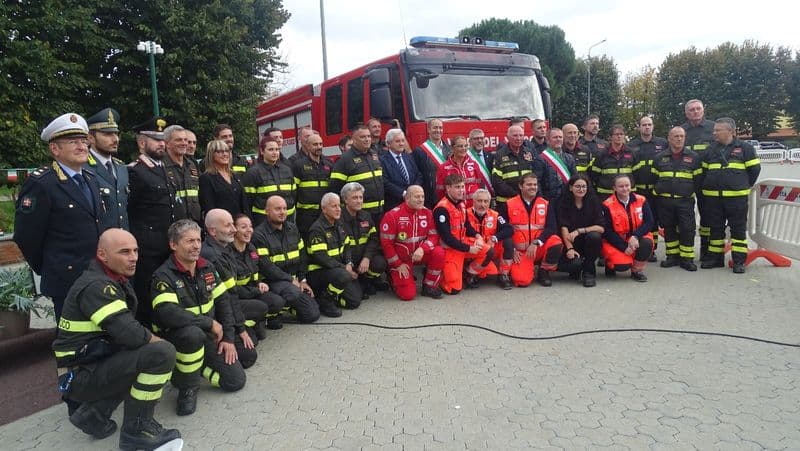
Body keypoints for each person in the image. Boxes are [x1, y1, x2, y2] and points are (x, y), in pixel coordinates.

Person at [53, 229, 181, 449]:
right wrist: (160, 343)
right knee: (161, 354)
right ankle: (136, 431)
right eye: (124, 252)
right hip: (80, 375)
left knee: (140, 357)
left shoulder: (112, 278)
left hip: (89, 366)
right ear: (103, 255)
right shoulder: (97, 286)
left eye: (135, 251)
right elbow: (131, 335)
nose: (133, 257)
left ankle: (93, 415)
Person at [151, 220, 245, 416]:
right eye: (189, 241)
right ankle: (188, 387)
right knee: (192, 334)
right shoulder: (163, 275)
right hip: (180, 338)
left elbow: (224, 303)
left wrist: (228, 338)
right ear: (173, 245)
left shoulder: (207, 268)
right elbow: (168, 313)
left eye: (198, 240)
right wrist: (209, 323)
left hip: (209, 336)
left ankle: (191, 369)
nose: (196, 246)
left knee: (236, 379)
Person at [15, 113, 103, 321]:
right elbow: (26, 236)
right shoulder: (42, 184)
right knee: (72, 338)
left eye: (84, 141)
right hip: (66, 278)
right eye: (73, 142)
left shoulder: (90, 179)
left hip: (96, 274)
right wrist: (50, 266)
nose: (82, 147)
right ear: (55, 149)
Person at [127, 117, 179, 327]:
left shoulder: (165, 169)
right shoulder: (134, 171)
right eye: (155, 139)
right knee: (148, 294)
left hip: (167, 244)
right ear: (141, 143)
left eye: (162, 139)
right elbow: (130, 210)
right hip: (148, 246)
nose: (161, 144)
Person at [699, 118, 760, 273]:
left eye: (718, 130)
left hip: (736, 198)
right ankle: (715, 259)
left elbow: (754, 171)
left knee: (738, 230)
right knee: (715, 229)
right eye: (714, 130)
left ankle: (739, 261)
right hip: (713, 198)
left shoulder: (745, 148)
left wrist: (742, 185)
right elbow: (704, 172)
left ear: (731, 131)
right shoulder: (711, 150)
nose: (714, 133)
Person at [200, 209, 260, 367]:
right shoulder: (213, 256)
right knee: (248, 357)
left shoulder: (224, 248)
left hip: (226, 311)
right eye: (228, 225)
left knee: (254, 338)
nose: (234, 229)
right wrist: (238, 330)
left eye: (233, 224)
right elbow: (228, 297)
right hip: (215, 318)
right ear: (213, 231)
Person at [251, 195, 320, 323]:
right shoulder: (259, 235)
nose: (282, 212)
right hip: (273, 281)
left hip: (293, 281)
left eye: (284, 208)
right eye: (278, 209)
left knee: (312, 314)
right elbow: (266, 266)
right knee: (293, 293)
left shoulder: (292, 228)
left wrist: (302, 279)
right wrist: (290, 279)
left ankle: (289, 306)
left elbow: (302, 256)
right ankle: (274, 311)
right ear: (267, 211)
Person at [379, 185, 445, 300]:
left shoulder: (428, 213)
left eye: (422, 196)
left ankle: (429, 286)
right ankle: (392, 274)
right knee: (408, 295)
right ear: (407, 198)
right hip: (401, 260)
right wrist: (397, 264)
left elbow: (434, 236)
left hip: (420, 254)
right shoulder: (392, 216)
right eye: (417, 197)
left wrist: (422, 249)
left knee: (438, 252)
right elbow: (386, 245)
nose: (421, 199)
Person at [652, 127, 701, 271]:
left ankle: (687, 258)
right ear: (669, 138)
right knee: (669, 228)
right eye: (676, 136)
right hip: (665, 201)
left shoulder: (693, 157)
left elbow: (698, 180)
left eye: (681, 136)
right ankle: (672, 256)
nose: (679, 139)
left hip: (684, 201)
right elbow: (654, 177)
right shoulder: (660, 157)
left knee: (687, 229)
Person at [228, 214, 287, 333]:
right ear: (234, 230)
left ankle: (258, 319)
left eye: (250, 226)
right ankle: (247, 322)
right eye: (244, 227)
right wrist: (255, 291)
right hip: (237, 296)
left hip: (252, 290)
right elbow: (232, 288)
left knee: (277, 301)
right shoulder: (228, 254)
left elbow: (255, 272)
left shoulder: (251, 248)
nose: (249, 230)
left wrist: (259, 283)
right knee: (258, 333)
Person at [306, 193, 362, 317]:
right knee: (344, 276)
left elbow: (347, 246)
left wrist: (348, 263)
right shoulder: (317, 229)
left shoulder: (338, 224)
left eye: (339, 206)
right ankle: (326, 299)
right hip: (319, 271)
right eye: (333, 206)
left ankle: (331, 296)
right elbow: (321, 258)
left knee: (355, 301)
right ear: (324, 209)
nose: (338, 209)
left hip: (336, 270)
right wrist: (344, 268)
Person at [504, 173, 563, 287]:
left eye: (535, 184)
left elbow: (551, 228)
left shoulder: (545, 204)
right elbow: (503, 229)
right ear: (521, 186)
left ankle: (544, 271)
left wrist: (537, 242)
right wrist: (513, 250)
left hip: (538, 247)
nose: (533, 187)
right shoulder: (509, 204)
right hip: (520, 252)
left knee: (556, 241)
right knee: (521, 281)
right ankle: (521, 269)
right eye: (529, 184)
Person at [433, 174, 486, 294]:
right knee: (454, 290)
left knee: (488, 251)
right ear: (448, 188)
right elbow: (446, 238)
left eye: (462, 187)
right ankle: (441, 274)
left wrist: (478, 236)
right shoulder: (442, 208)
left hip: (462, 244)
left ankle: (468, 274)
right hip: (450, 250)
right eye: (457, 187)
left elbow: (467, 226)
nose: (461, 190)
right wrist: (469, 249)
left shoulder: (461, 204)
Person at [601, 174, 655, 281]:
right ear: (614, 188)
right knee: (622, 266)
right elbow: (607, 232)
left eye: (627, 185)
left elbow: (649, 222)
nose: (625, 188)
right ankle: (609, 263)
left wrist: (636, 236)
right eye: (621, 186)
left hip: (636, 238)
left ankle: (636, 271)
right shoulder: (607, 205)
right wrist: (623, 247)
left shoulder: (641, 200)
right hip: (616, 241)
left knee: (647, 243)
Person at [629, 116, 668, 261]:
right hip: (638, 190)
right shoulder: (631, 145)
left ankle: (652, 249)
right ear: (639, 127)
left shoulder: (662, 143)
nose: (647, 127)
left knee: (655, 220)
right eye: (644, 125)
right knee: (639, 219)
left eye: (649, 124)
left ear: (653, 126)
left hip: (656, 190)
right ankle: (639, 247)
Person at [340, 182, 389, 297]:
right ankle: (357, 284)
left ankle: (366, 281)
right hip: (345, 263)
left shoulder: (366, 216)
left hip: (362, 259)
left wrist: (367, 258)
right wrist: (346, 265)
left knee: (380, 262)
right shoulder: (338, 218)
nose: (359, 201)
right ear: (345, 200)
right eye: (355, 198)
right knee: (356, 297)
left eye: (361, 197)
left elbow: (374, 239)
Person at [681, 99, 717, 258]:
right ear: (686, 113)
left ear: (703, 110)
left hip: (707, 179)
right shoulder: (681, 130)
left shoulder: (713, 128)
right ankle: (683, 251)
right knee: (684, 215)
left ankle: (706, 249)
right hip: (686, 180)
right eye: (691, 110)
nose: (695, 112)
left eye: (698, 109)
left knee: (708, 215)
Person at [84, 107, 129, 230]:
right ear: (90, 138)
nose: (115, 139)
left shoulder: (121, 168)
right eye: (107, 134)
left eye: (116, 133)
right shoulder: (82, 168)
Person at [330, 124, 385, 225]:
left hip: (380, 212)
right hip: (359, 214)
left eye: (368, 136)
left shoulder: (374, 155)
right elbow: (335, 188)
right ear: (354, 139)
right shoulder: (345, 159)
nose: (367, 139)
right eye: (362, 137)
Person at [558, 174, 604, 287]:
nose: (581, 189)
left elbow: (601, 227)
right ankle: (577, 268)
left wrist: (580, 231)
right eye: (577, 186)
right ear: (570, 187)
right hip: (570, 241)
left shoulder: (594, 201)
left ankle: (589, 272)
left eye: (584, 186)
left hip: (588, 241)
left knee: (595, 236)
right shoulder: (563, 202)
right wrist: (570, 248)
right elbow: (563, 226)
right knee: (574, 265)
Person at [492, 125, 546, 216]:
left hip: (528, 201)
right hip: (506, 202)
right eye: (515, 136)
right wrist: (517, 195)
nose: (519, 138)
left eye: (521, 135)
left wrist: (536, 195)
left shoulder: (529, 153)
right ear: (508, 137)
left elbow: (536, 177)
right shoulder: (499, 155)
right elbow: (497, 181)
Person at [465, 189, 514, 289]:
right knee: (489, 269)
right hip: (473, 250)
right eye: (479, 201)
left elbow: (509, 229)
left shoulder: (495, 215)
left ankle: (503, 275)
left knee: (508, 241)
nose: (482, 204)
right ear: (473, 201)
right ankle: (470, 274)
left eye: (486, 201)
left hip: (490, 250)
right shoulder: (465, 214)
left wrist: (494, 238)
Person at [243, 136, 296, 225]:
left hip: (287, 221)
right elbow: (248, 203)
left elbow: (293, 195)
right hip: (264, 222)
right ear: (262, 151)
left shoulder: (287, 170)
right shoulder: (253, 173)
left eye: (277, 149)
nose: (275, 152)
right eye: (271, 149)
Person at [291, 133, 334, 236]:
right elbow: (293, 191)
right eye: (315, 144)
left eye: (320, 144)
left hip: (324, 213)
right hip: (305, 215)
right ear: (308, 146)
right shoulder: (299, 165)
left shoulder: (329, 164)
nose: (319, 147)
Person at [199, 139, 248, 218]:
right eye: (219, 152)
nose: (225, 154)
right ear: (211, 154)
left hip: (240, 224)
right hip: (222, 224)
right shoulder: (206, 178)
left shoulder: (235, 175)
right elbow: (209, 208)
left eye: (226, 151)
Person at [163, 125, 202, 224]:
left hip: (194, 224)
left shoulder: (192, 165)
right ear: (167, 144)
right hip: (173, 225)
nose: (184, 143)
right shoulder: (160, 166)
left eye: (185, 140)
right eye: (179, 140)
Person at [380, 128, 423, 211]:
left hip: (412, 203)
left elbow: (418, 175)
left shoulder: (408, 157)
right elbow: (384, 182)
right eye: (398, 141)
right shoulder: (382, 160)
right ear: (388, 143)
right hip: (394, 204)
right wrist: (404, 193)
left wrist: (413, 190)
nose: (401, 144)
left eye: (403, 141)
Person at [412, 119, 451, 208]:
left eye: (440, 128)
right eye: (435, 128)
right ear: (428, 130)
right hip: (430, 198)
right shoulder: (420, 151)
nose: (438, 130)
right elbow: (417, 174)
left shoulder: (449, 149)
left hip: (448, 195)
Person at [591, 124, 637, 197]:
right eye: (616, 134)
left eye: (621, 134)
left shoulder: (631, 153)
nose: (619, 136)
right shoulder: (601, 154)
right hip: (606, 195)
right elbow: (594, 175)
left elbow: (636, 174)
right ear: (611, 137)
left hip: (627, 194)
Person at [435, 136, 482, 208]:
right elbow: (440, 193)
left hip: (473, 209)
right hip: (454, 210)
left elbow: (480, 186)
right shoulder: (443, 168)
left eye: (466, 146)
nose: (464, 148)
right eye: (460, 146)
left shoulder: (474, 164)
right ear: (453, 148)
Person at [539, 127, 577, 202]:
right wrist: (542, 199)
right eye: (555, 137)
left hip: (567, 198)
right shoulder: (541, 158)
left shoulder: (569, 158)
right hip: (549, 199)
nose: (558, 139)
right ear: (548, 140)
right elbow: (538, 181)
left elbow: (574, 179)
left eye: (560, 137)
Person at [467, 128, 493, 194]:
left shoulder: (490, 156)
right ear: (470, 141)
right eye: (476, 139)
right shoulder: (465, 157)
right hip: (472, 195)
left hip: (488, 195)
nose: (479, 141)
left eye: (482, 138)